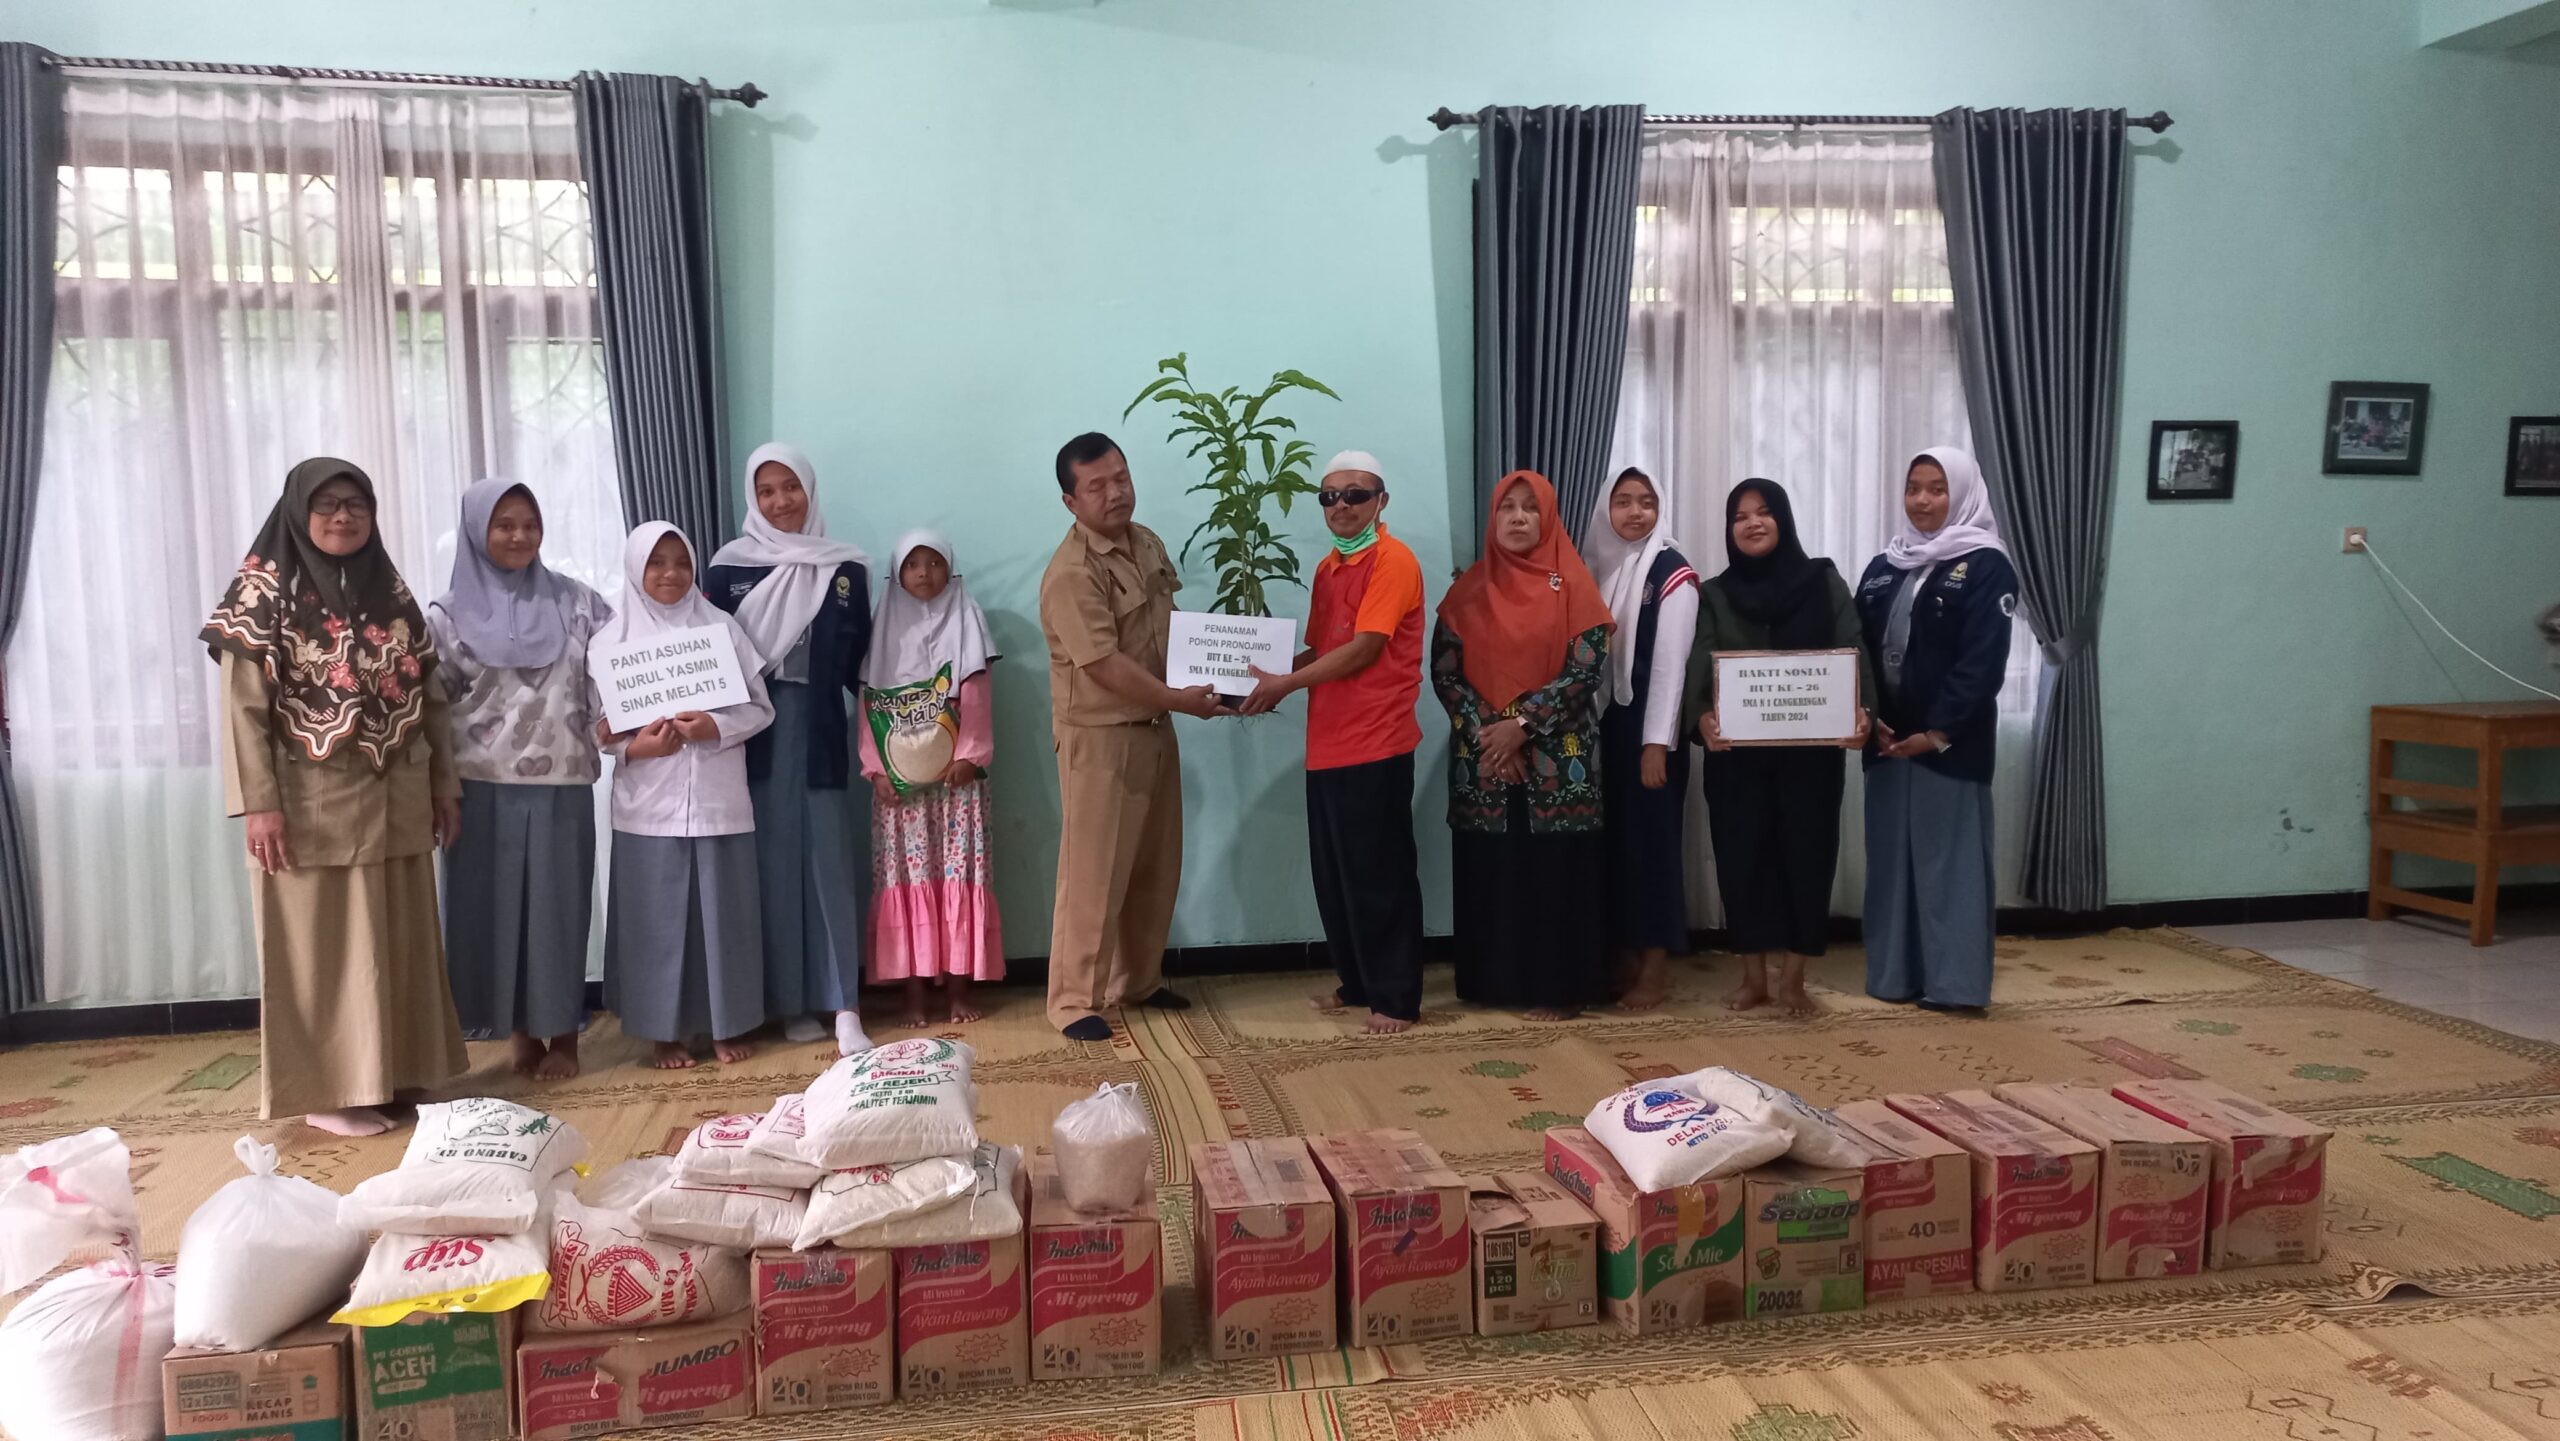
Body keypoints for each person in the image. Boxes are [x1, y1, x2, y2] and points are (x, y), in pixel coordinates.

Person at [203, 457, 467, 1137]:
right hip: (308, 802)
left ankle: (393, 1073)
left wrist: (444, 785)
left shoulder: (389, 590)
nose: (344, 516)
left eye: (357, 503)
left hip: (397, 794)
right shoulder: (262, 594)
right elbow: (242, 710)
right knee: (320, 945)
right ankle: (328, 1088)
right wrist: (257, 802)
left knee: (394, 937)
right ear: (298, 510)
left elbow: (430, 698)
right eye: (327, 504)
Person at [426, 479, 613, 1080]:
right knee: (495, 915)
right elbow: (431, 706)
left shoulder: (579, 604)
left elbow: (613, 679)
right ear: (477, 531)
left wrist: (620, 722)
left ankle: (564, 1037)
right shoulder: (445, 616)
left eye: (529, 524)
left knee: (558, 912)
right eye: (504, 524)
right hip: (480, 790)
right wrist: (438, 790)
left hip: (561, 784)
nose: (518, 536)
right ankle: (518, 1036)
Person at [1038, 432, 1221, 1041]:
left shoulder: (1147, 543)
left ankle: (1136, 981)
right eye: (1098, 486)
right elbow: (1103, 664)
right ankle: (1072, 1001)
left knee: (1154, 863)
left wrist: (1220, 675)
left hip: (1156, 726)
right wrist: (1179, 700)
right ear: (1071, 501)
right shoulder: (1072, 572)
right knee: (1093, 873)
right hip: (1100, 737)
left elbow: (1173, 635)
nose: (1116, 493)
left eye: (1122, 477)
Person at [1239, 450, 1429, 1034]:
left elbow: (1366, 648)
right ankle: (1357, 981)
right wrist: (1245, 681)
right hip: (1328, 743)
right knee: (1336, 874)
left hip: (1377, 740)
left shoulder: (1393, 561)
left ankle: (1395, 997)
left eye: (1355, 494)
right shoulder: (1328, 568)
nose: (1341, 506)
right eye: (1330, 496)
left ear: (1381, 501)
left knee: (1380, 875)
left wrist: (1283, 685)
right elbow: (1324, 648)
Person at [706, 442, 875, 1057]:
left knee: (829, 861)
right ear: (753, 498)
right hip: (758, 733)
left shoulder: (846, 568)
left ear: (810, 489)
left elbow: (862, 661)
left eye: (791, 488)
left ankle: (843, 1004)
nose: (781, 502)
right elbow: (710, 658)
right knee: (771, 866)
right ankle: (789, 1001)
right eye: (767, 491)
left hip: (823, 726)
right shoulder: (726, 570)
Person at [1685, 478, 1875, 1016]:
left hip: (1810, 758)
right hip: (1737, 762)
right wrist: (1702, 718)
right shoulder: (1715, 594)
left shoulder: (1824, 582)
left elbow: (1854, 648)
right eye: (1740, 516)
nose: (1752, 523)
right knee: (1742, 861)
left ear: (1784, 519)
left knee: (1807, 859)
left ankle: (1793, 980)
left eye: (1764, 512)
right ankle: (1753, 979)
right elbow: (1700, 662)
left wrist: (1863, 713)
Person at [1432, 470, 1614, 1021]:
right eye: (1506, 508)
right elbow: (1445, 673)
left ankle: (1559, 988)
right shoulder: (1466, 591)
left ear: (1547, 518)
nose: (1516, 518)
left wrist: (1521, 728)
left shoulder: (1575, 585)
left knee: (1553, 874)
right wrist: (1492, 739)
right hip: (1483, 761)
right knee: (1494, 870)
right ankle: (1494, 981)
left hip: (1559, 761)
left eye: (1528, 509)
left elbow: (1585, 668)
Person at [597, 522, 775, 1068]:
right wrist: (635, 748)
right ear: (635, 569)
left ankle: (726, 1025)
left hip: (719, 801)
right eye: (656, 563)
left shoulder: (721, 628)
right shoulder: (610, 641)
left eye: (680, 561)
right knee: (657, 921)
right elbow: (594, 728)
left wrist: (714, 727)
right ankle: (664, 1033)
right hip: (648, 808)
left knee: (723, 919)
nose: (671, 573)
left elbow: (760, 709)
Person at [1853, 446, 2020, 1012]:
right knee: (1891, 864)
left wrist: (1939, 731)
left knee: (1950, 868)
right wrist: (1867, 717)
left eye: (1937, 488)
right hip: (1886, 744)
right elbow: (1854, 653)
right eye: (1913, 488)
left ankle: (1955, 987)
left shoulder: (1987, 563)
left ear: (1963, 493)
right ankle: (1894, 979)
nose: (1923, 500)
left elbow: (1983, 662)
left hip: (1949, 747)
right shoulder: (1885, 566)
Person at [858, 531, 1005, 1026]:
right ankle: (914, 996)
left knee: (956, 878)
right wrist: (875, 768)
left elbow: (978, 697)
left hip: (956, 785)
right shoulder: (883, 632)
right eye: (913, 565)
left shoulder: (967, 621)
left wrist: (971, 755)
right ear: (896, 575)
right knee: (909, 880)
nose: (924, 573)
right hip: (899, 794)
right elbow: (867, 707)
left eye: (935, 562)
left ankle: (960, 988)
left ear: (952, 569)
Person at [1583, 466, 1699, 1010]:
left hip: (1655, 733)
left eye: (1646, 502)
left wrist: (1658, 743)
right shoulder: (1601, 570)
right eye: (1623, 501)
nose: (1635, 512)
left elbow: (1672, 667)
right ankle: (1626, 955)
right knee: (1620, 847)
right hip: (1613, 726)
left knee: (1652, 849)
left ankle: (1656, 968)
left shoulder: (1672, 571)